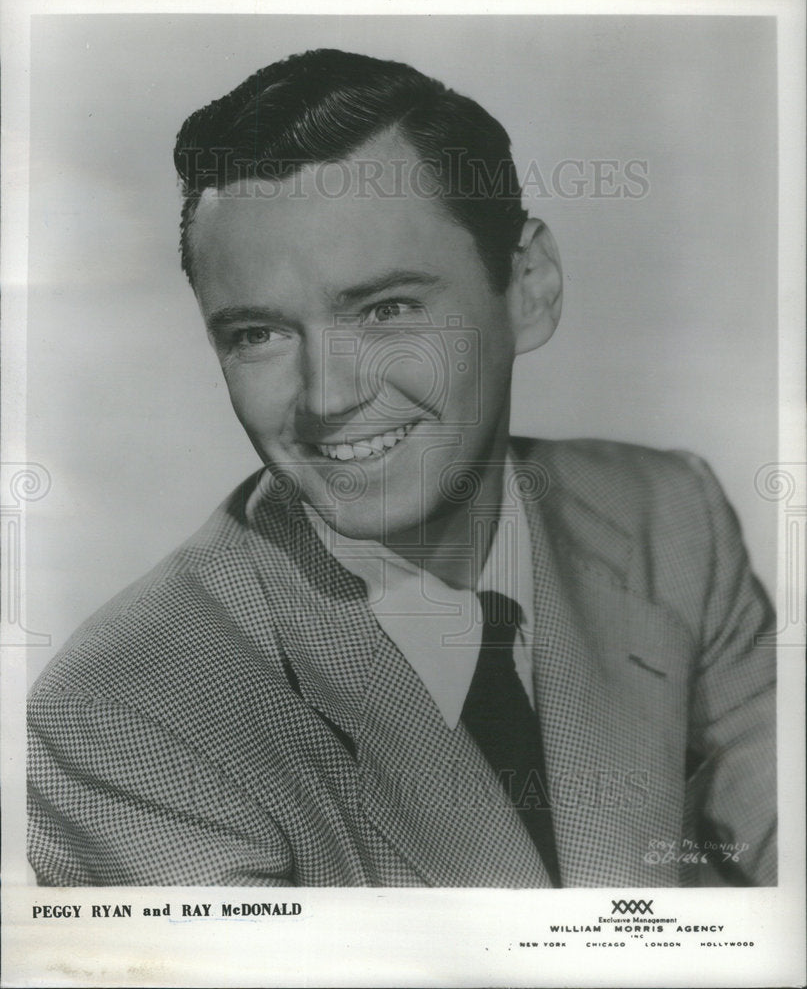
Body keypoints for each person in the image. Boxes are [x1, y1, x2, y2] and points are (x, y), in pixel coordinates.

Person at [27, 49, 776, 888]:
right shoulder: (126, 713)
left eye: (386, 309)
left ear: (528, 287)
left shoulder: (667, 514)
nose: (328, 396)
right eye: (258, 334)